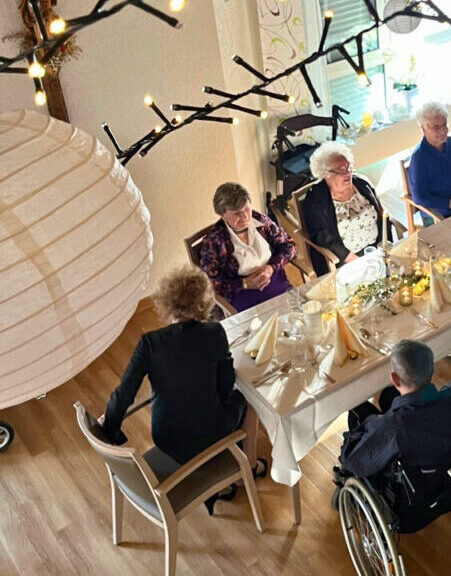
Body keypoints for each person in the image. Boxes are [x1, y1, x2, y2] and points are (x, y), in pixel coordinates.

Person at [99, 266, 247, 465]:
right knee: (244, 397)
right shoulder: (215, 332)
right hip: (211, 433)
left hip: (166, 437)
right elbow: (226, 386)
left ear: (166, 301)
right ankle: (239, 464)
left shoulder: (149, 343)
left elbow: (124, 394)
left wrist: (110, 429)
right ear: (204, 302)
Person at [339, 340, 451, 479]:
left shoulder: (391, 427)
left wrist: (369, 424)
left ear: (394, 379)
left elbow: (351, 460)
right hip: (450, 466)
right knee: (388, 395)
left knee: (358, 411)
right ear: (432, 370)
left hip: (415, 481)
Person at [199, 182, 297, 312]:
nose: (245, 216)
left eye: (246, 209)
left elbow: (289, 246)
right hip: (242, 294)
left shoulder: (260, 221)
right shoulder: (215, 241)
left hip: (274, 280)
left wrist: (271, 267)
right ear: (222, 214)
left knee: (297, 316)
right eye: (237, 213)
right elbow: (210, 284)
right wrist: (245, 283)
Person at [303, 141, 392, 276]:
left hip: (376, 250)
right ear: (326, 174)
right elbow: (325, 238)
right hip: (347, 261)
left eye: (349, 167)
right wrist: (359, 261)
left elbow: (381, 215)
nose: (348, 173)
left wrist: (382, 248)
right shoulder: (315, 199)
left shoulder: (362, 183)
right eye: (341, 170)